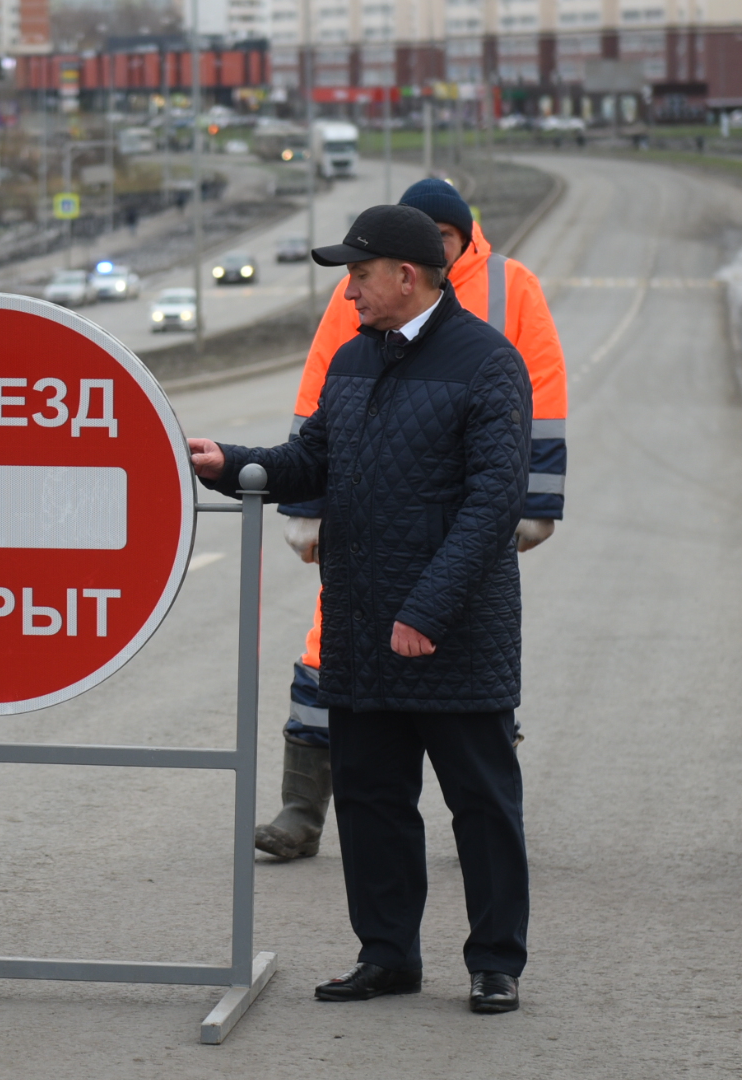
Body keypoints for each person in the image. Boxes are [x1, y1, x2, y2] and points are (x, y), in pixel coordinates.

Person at [189, 205, 532, 1014]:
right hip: (359, 630)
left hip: (452, 636)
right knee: (374, 805)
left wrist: (428, 611)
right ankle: (387, 956)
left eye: (358, 275)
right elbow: (312, 461)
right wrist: (230, 463)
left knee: (481, 806)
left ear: (405, 277)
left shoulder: (488, 364)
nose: (348, 293)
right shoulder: (352, 360)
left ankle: (495, 963)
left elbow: (492, 506)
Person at [256, 177, 567, 862]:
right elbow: (322, 393)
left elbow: (543, 393)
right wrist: (303, 504)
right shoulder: (363, 289)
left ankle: (487, 814)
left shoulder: (511, 286)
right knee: (329, 647)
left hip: (465, 511)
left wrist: (536, 504)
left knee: (464, 654)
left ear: (458, 240)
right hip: (370, 513)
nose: (436, 249)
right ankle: (302, 808)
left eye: (444, 238)